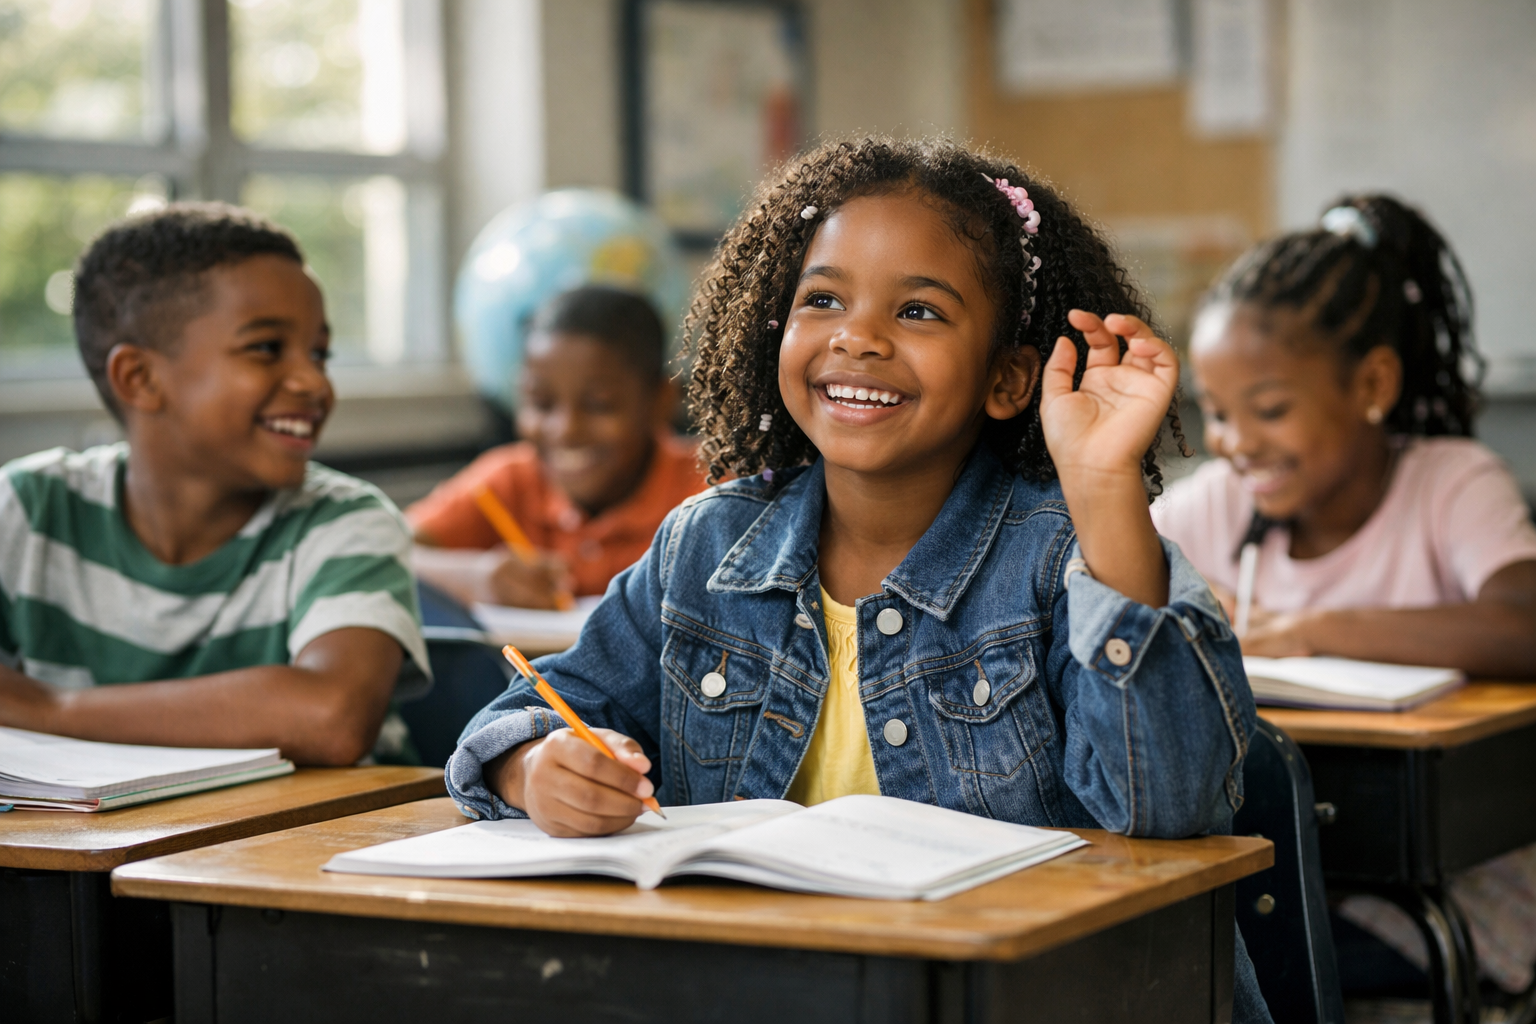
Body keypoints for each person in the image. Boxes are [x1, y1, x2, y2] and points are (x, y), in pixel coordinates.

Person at [445, 137, 1271, 1022]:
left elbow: (1173, 805)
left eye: (919, 312)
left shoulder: (1063, 553)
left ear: (1007, 378)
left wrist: (1105, 484)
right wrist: (536, 769)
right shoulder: (707, 546)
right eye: (824, 299)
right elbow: (529, 714)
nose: (858, 337)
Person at [1152, 195, 1536, 998]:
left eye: (1270, 410)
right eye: (1216, 412)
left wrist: (1309, 630)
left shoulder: (1449, 484)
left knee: (1230, 971)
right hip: (1274, 871)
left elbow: (1524, 622)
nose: (1236, 441)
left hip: (1447, 888)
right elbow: (1097, 583)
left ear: (1372, 383)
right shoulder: (1214, 500)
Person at [0, 203, 427, 765]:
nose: (314, 382)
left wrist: (52, 709)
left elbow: (332, 717)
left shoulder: (344, 522)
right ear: (140, 378)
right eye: (267, 348)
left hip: (311, 846)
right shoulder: (28, 511)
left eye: (320, 353)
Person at [407, 286, 706, 609]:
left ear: (661, 401)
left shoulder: (710, 489)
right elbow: (385, 552)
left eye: (598, 405)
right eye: (541, 403)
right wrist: (476, 577)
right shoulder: (510, 481)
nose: (565, 430)